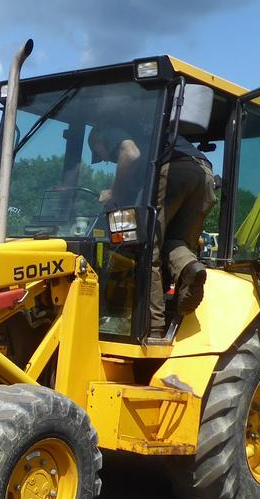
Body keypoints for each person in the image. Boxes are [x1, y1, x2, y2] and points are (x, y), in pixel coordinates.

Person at [88, 126, 217, 339]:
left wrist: (113, 193)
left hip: (172, 168)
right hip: (204, 173)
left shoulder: (110, 125)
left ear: (97, 140)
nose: (106, 160)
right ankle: (190, 267)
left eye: (99, 154)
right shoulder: (149, 132)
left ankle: (153, 327)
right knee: (175, 240)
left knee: (147, 249)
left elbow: (130, 153)